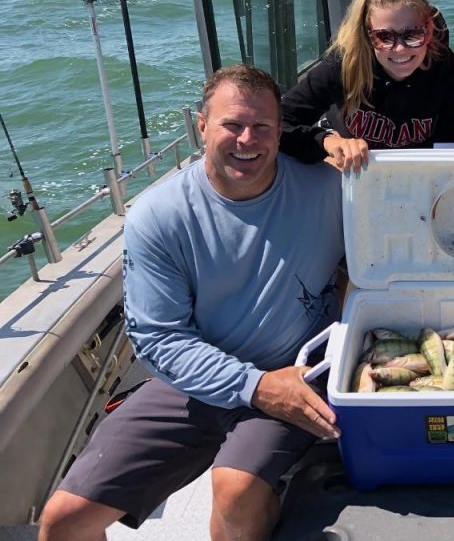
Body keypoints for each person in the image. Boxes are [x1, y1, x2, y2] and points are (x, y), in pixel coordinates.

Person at [39, 65, 346, 541]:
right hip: (195, 379)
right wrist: (255, 385)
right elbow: (159, 340)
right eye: (231, 125)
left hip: (296, 371)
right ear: (201, 126)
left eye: (262, 127)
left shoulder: (330, 188)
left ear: (281, 129)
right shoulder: (156, 217)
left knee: (234, 490)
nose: (248, 140)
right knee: (63, 521)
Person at [280, 0, 454, 173]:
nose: (399, 49)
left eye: (413, 35)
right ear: (368, 37)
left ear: (429, 30)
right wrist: (327, 143)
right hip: (351, 172)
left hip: (417, 176)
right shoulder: (345, 63)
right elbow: (279, 123)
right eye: (384, 37)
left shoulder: (445, 70)